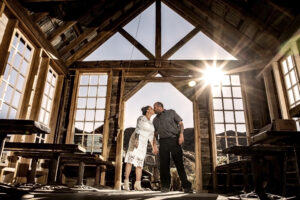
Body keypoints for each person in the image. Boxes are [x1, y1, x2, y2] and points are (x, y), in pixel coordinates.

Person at [153, 102, 192, 193]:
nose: (154, 109)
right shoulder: (154, 120)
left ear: (160, 107)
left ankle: (186, 186)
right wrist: (154, 144)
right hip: (162, 142)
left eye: (155, 107)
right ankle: (165, 186)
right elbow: (155, 133)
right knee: (164, 165)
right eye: (154, 107)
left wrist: (181, 135)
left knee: (179, 164)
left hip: (174, 140)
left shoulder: (171, 112)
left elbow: (180, 123)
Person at [123, 106, 158, 191]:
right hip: (136, 139)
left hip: (143, 143)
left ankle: (137, 184)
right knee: (130, 160)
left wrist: (154, 146)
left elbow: (152, 136)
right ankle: (126, 183)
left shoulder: (151, 124)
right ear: (147, 110)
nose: (153, 109)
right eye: (151, 108)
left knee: (140, 163)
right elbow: (138, 128)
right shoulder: (141, 118)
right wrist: (136, 139)